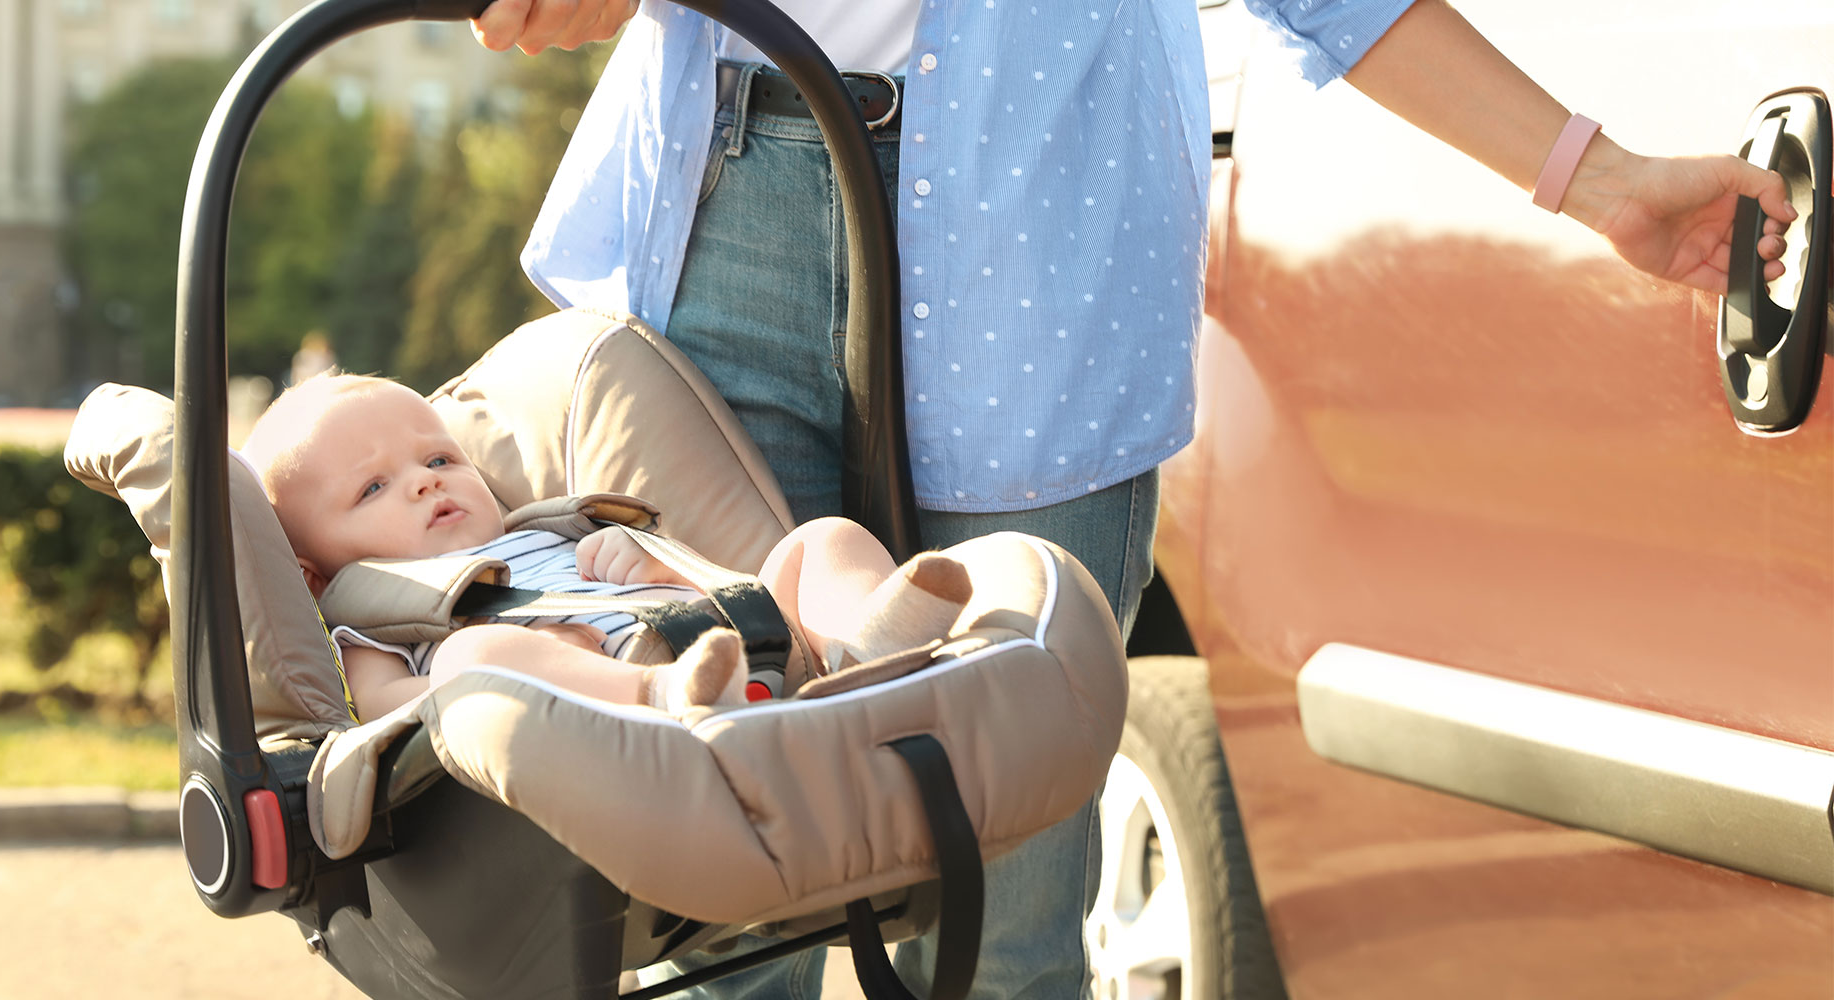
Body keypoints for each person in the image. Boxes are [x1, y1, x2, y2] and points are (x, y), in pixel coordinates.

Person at [467, 1, 1797, 997]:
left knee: (1005, 915)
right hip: (730, 198)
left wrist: (1597, 176)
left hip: (1045, 242)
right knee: (713, 909)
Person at [243, 373, 975, 723]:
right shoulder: (372, 617)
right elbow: (381, 707)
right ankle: (673, 695)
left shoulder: (552, 534)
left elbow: (722, 585)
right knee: (472, 657)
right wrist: (525, 669)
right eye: (372, 489)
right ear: (315, 574)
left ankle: (866, 649)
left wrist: (663, 564)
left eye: (438, 461)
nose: (422, 486)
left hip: (748, 647)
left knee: (823, 542)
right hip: (631, 711)